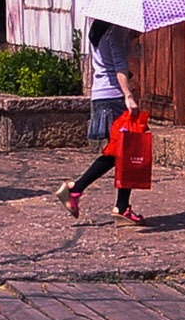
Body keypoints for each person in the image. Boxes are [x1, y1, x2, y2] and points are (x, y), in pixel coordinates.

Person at [52, 19, 143, 225]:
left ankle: (119, 205)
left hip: (102, 95)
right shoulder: (116, 29)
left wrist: (130, 39)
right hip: (114, 97)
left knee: (120, 153)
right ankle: (76, 190)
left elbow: (108, 59)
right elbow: (119, 66)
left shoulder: (100, 28)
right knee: (121, 151)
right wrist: (128, 95)